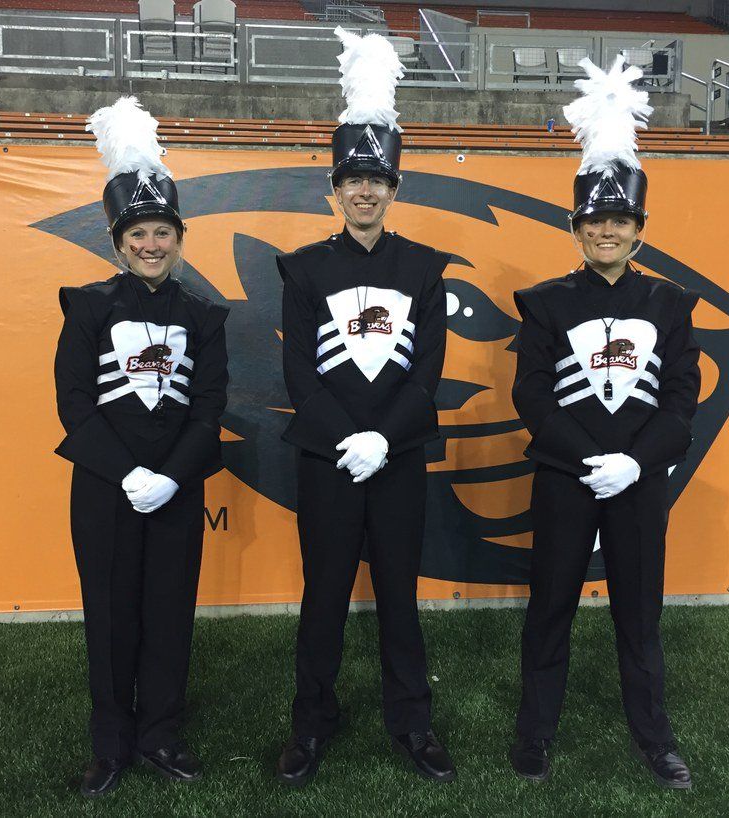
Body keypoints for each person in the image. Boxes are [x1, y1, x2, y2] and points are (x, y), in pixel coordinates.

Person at [508, 57, 700, 789]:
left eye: (620, 220)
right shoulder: (545, 302)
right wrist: (589, 459)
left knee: (639, 614)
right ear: (576, 227)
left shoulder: (671, 304)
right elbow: (532, 396)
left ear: (639, 230)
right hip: (565, 477)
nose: (607, 231)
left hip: (639, 482)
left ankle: (655, 737)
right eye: (595, 220)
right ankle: (535, 733)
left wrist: (637, 462)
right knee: (550, 607)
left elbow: (681, 398)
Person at [273, 27, 455, 787]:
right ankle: (312, 723)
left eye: (377, 179)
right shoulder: (304, 270)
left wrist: (384, 438)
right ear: (335, 188)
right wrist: (347, 438)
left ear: (395, 188)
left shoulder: (425, 269)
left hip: (399, 459)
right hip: (327, 460)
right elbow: (298, 374)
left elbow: (427, 373)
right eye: (352, 179)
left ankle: (412, 721)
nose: (365, 191)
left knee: (399, 599)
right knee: (322, 598)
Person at [54, 97, 229, 797]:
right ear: (117, 240)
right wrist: (126, 472)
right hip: (105, 489)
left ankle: (160, 734)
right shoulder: (87, 306)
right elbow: (74, 403)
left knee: (169, 614)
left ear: (179, 238)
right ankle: (111, 744)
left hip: (178, 489)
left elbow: (209, 407)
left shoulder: (204, 316)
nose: (151, 244)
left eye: (162, 232)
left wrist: (172, 476)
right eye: (138, 234)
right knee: (109, 616)